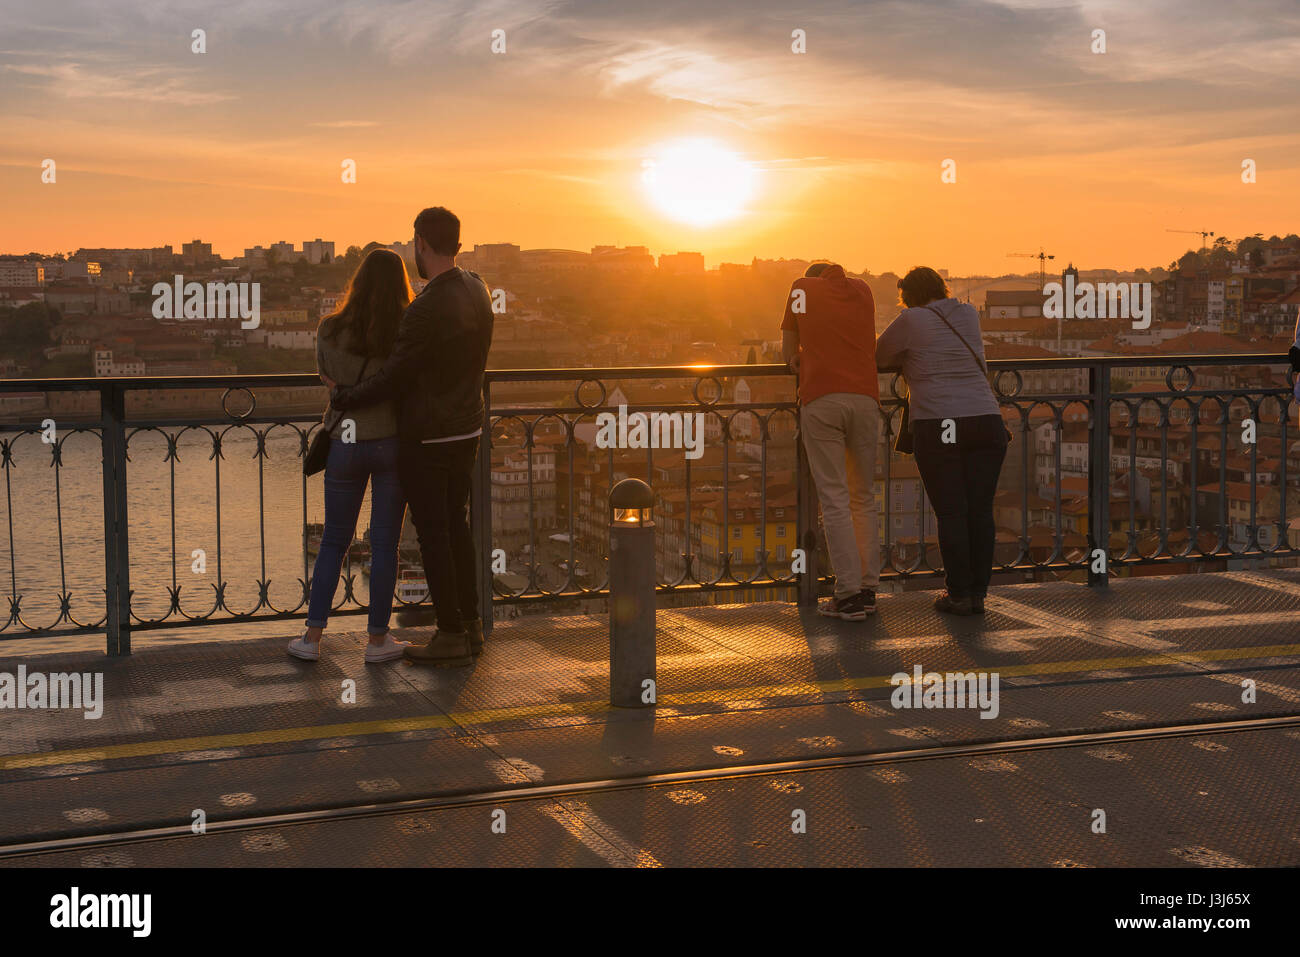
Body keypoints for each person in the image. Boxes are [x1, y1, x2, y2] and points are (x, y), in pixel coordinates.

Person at [326, 207, 495, 667]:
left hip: (429, 436)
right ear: (456, 243)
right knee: (456, 528)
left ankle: (451, 634)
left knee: (433, 535)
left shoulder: (425, 307)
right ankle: (472, 626)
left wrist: (346, 396)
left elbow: (395, 378)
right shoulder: (478, 289)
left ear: (420, 242)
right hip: (468, 427)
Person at [289, 248, 412, 662]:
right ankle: (378, 641)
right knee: (384, 545)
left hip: (344, 441)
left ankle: (312, 638)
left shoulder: (329, 329)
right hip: (391, 442)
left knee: (333, 543)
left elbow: (326, 376)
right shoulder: (405, 330)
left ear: (357, 282)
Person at [876, 267, 1008, 615]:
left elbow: (877, 356)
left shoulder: (911, 320)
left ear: (908, 295)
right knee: (980, 511)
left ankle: (959, 593)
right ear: (941, 286)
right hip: (986, 419)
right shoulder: (967, 313)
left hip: (940, 423)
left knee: (952, 512)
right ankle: (977, 594)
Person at [781, 261, 882, 620]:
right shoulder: (864, 292)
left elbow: (788, 353)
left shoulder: (799, 288)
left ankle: (848, 594)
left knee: (835, 498)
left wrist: (800, 357)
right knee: (862, 498)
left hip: (823, 399)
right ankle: (868, 589)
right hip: (866, 400)